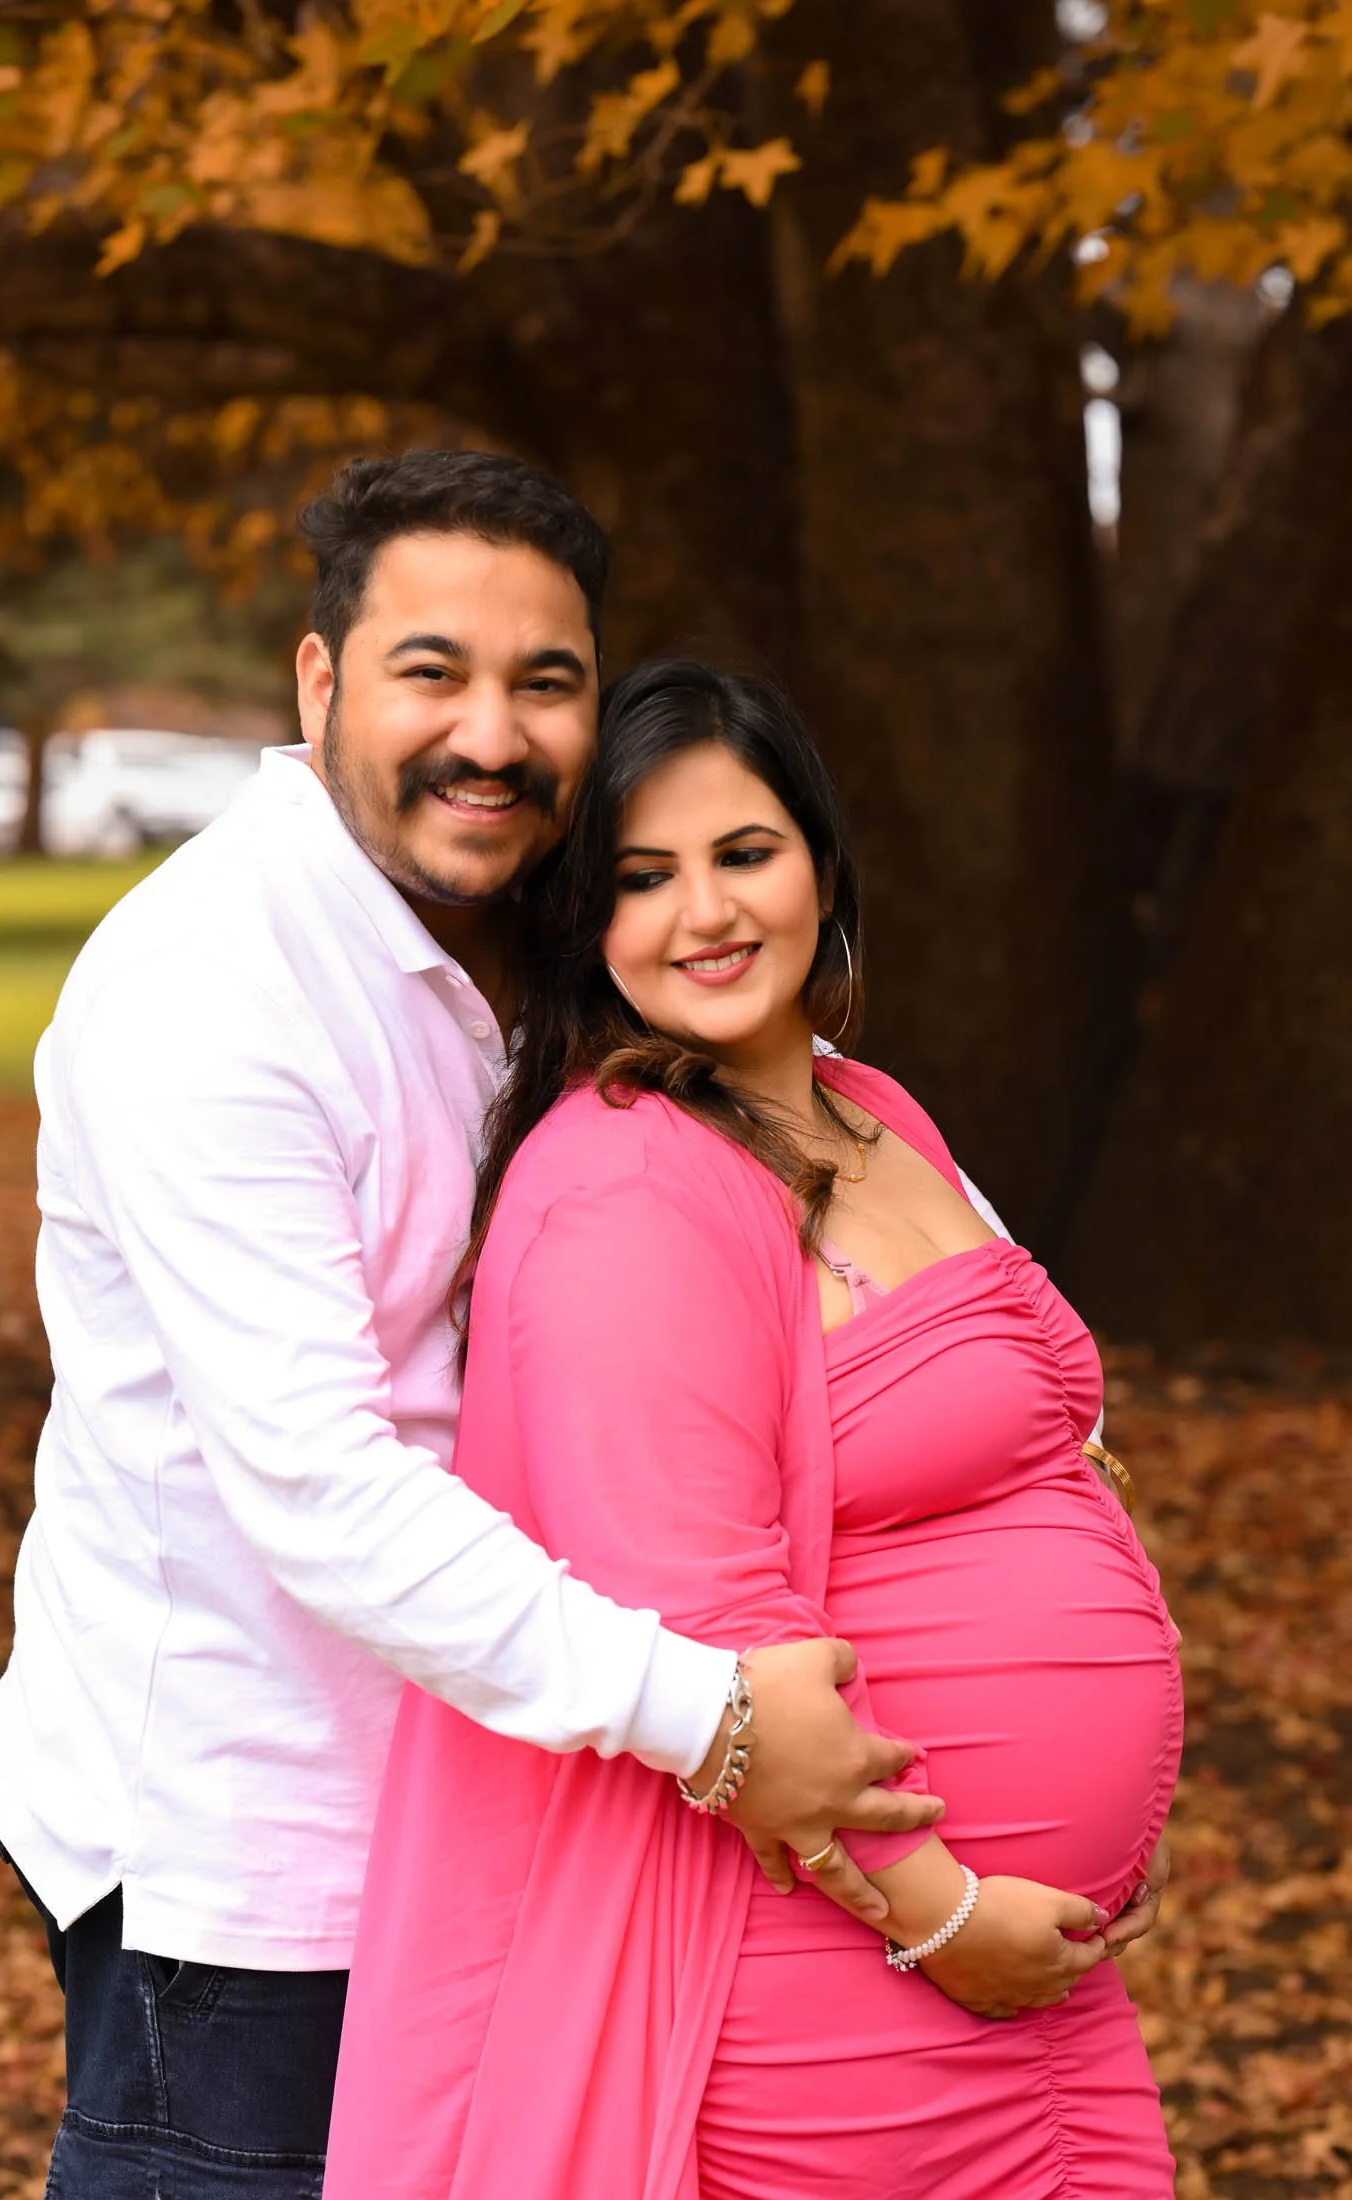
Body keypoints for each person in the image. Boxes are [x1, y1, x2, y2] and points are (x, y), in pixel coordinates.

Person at [0, 454, 963, 2197]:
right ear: (319, 681)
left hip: (515, 1805)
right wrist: (713, 1721)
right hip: (263, 1867)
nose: (490, 735)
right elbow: (317, 1487)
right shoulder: (214, 991)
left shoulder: (542, 935)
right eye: (432, 670)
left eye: (546, 681)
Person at [325, 658, 1184, 2199]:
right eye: (640, 878)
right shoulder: (628, 1186)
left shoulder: (868, 1107)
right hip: (846, 1978)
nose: (701, 914)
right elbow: (714, 1632)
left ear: (823, 864)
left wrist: (1109, 1813)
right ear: (582, 921)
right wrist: (939, 1915)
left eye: (743, 853)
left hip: (1022, 1968)